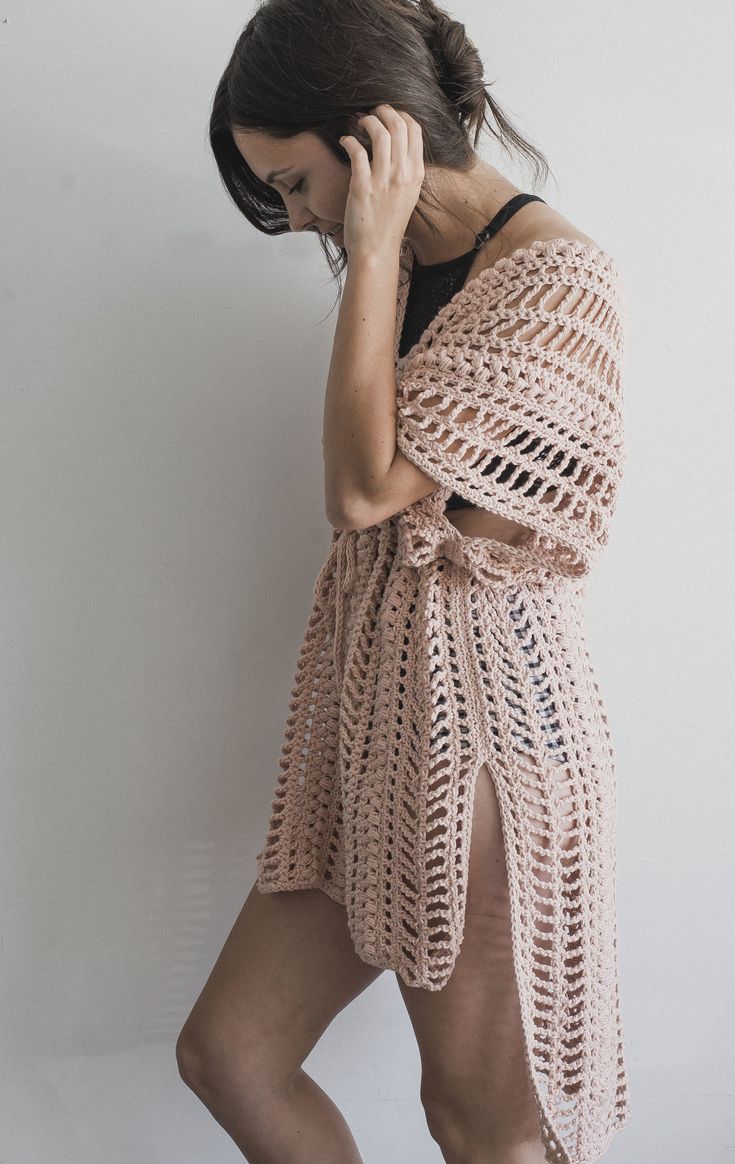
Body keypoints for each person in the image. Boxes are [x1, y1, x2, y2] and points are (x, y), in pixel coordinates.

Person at [176, 2, 631, 1162]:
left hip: (488, 747)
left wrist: (371, 246)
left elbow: (365, 489)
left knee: (481, 1123)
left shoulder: (553, 284)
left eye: (293, 183)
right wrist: (377, 249)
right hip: (378, 732)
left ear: (373, 137)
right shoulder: (416, 259)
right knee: (231, 1054)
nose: (296, 217)